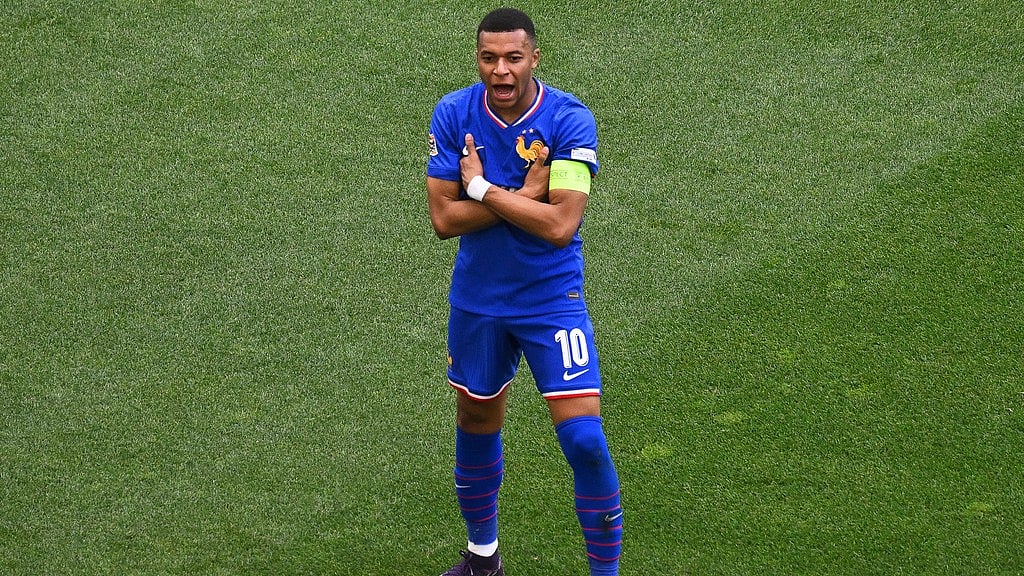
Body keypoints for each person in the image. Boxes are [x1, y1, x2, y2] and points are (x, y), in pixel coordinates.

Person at [426, 8, 623, 576]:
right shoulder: (454, 112)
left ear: (535, 57)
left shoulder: (570, 120)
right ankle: (482, 559)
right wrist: (519, 195)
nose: (501, 71)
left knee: (585, 438)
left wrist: (482, 187)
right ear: (477, 59)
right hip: (478, 300)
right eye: (489, 58)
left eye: (513, 58)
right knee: (476, 417)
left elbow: (561, 224)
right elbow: (443, 218)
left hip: (550, 300)